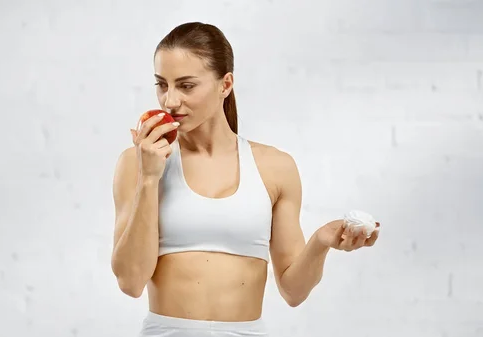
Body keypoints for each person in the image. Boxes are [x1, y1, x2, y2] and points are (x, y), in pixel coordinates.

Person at [111, 22, 380, 337]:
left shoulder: (275, 167)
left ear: (225, 84)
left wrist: (320, 242)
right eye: (162, 84)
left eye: (186, 86)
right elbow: (130, 282)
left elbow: (293, 291)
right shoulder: (138, 162)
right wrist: (149, 179)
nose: (170, 101)